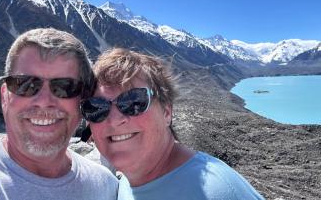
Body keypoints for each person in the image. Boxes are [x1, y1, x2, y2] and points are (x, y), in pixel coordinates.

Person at [80, 48, 265, 200]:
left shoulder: (218, 192)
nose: (114, 120)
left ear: (167, 112)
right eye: (96, 108)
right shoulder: (128, 184)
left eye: (134, 102)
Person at [0, 28, 118, 200]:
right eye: (25, 84)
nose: (44, 100)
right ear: (4, 96)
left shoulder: (106, 186)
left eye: (65, 87)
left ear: (83, 101)